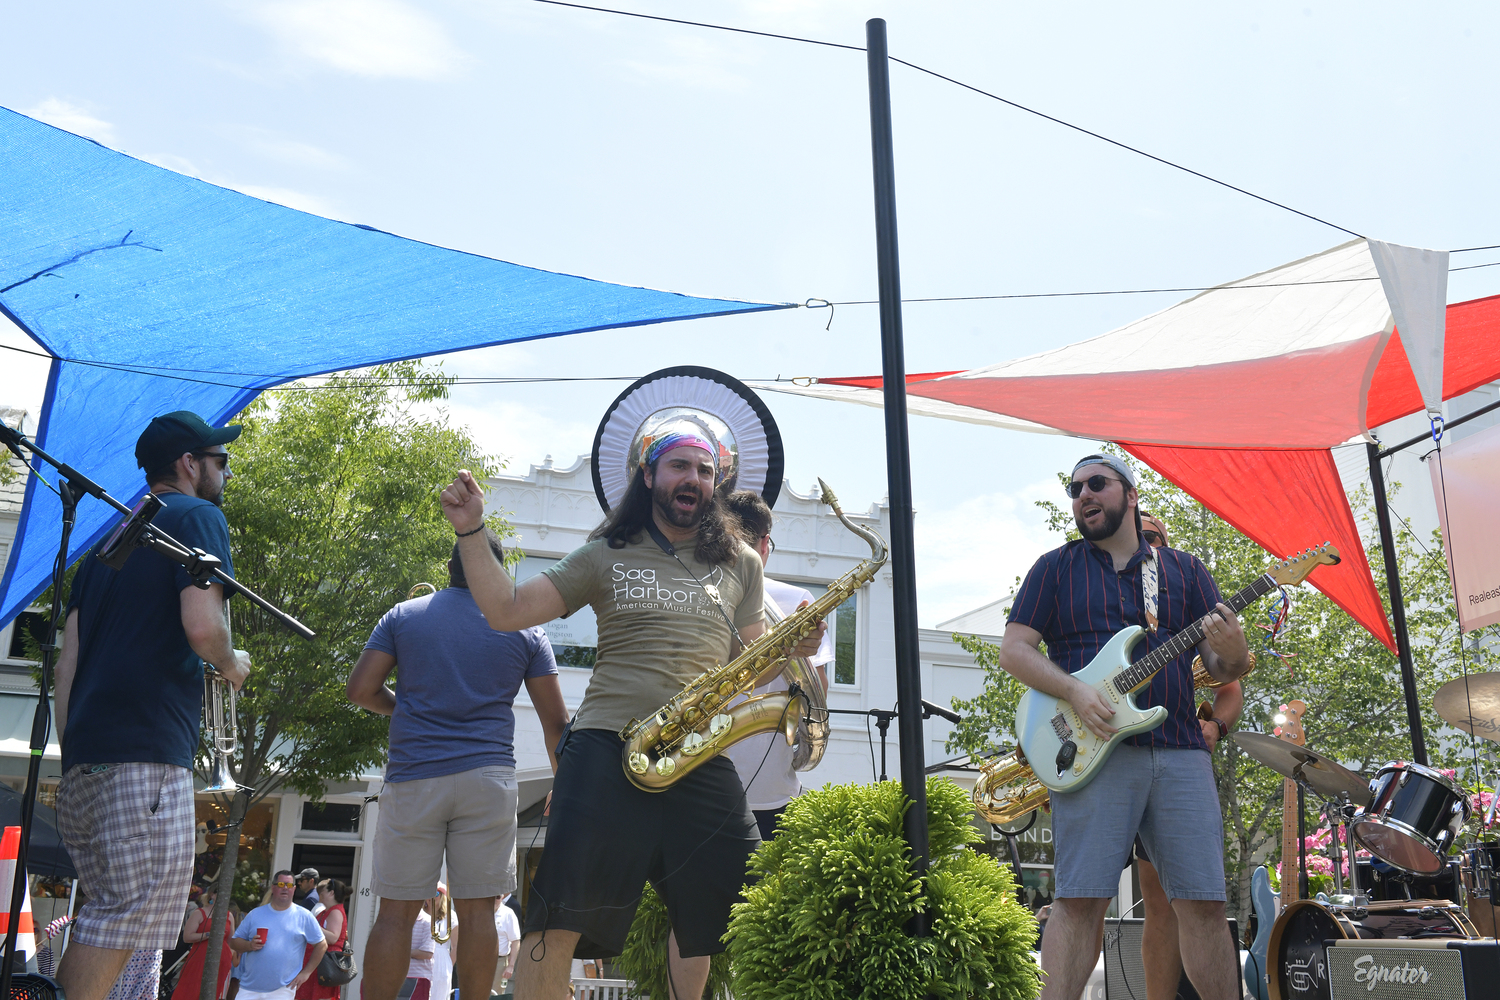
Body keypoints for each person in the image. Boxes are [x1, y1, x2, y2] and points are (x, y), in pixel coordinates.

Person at [439, 416, 825, 1000]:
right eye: (678, 466)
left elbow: (752, 667)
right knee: (557, 915)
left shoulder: (742, 563)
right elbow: (507, 609)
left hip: (698, 749)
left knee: (759, 901)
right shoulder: (604, 553)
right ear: (649, 475)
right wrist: (472, 531)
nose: (692, 478)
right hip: (606, 745)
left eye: (703, 470)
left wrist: (790, 648)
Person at [996, 454, 1250, 1000]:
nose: (1083, 494)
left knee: (1204, 904)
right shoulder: (1055, 567)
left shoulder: (1185, 571)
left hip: (1180, 748)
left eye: (1096, 483)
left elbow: (1223, 670)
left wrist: (1235, 654)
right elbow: (1014, 651)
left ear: (1131, 495)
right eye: (1075, 487)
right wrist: (1074, 691)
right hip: (1091, 751)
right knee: (1080, 902)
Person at [54, 410, 252, 1000]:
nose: (225, 470)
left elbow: (67, 664)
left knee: (109, 916)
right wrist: (230, 661)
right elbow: (201, 626)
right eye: (219, 459)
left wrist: (75, 758)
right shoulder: (199, 516)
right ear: (190, 464)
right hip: (145, 759)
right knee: (121, 920)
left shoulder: (104, 543)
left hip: (87, 759)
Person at [347, 528, 568, 1000]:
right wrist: (565, 784)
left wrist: (405, 708)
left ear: (448, 568)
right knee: (479, 915)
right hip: (488, 779)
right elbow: (556, 721)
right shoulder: (526, 630)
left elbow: (360, 690)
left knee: (395, 915)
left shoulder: (403, 617)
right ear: (496, 572)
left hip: (413, 778)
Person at [1132, 512, 1247, 1000]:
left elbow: (1232, 687)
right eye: (1137, 533)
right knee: (1153, 904)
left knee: (1190, 901)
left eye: (1153, 534)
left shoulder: (1182, 605)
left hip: (1174, 759)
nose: (1144, 540)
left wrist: (1216, 726)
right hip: (1112, 759)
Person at [720, 490, 833, 840]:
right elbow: (819, 694)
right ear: (765, 542)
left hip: (705, 780)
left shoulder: (705, 594)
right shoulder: (797, 600)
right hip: (773, 791)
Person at [230, 871, 328, 1000]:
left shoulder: (304, 916)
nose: (285, 888)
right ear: (273, 887)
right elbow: (234, 942)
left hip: (283, 990)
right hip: (249, 988)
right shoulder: (256, 914)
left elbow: (322, 945)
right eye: (281, 884)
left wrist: (306, 973)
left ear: (294, 889)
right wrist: (249, 945)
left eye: (289, 885)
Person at [173, 884, 237, 1000]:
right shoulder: (199, 913)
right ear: (212, 895)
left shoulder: (229, 915)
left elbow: (231, 941)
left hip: (222, 961)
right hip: (199, 959)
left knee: (217, 993)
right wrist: (208, 935)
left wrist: (229, 956)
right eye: (221, 893)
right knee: (191, 992)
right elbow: (187, 937)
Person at [294, 879, 350, 1000]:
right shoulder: (330, 910)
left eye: (322, 892)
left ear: (331, 893)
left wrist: (313, 926)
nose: (320, 895)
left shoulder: (335, 911)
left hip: (323, 965)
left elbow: (333, 938)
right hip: (319, 964)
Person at [492, 894, 521, 996]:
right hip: (480, 960)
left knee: (496, 995)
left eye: (497, 897)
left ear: (502, 897)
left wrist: (511, 966)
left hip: (499, 961)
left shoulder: (508, 913)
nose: (494, 900)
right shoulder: (480, 912)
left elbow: (516, 941)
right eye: (490, 896)